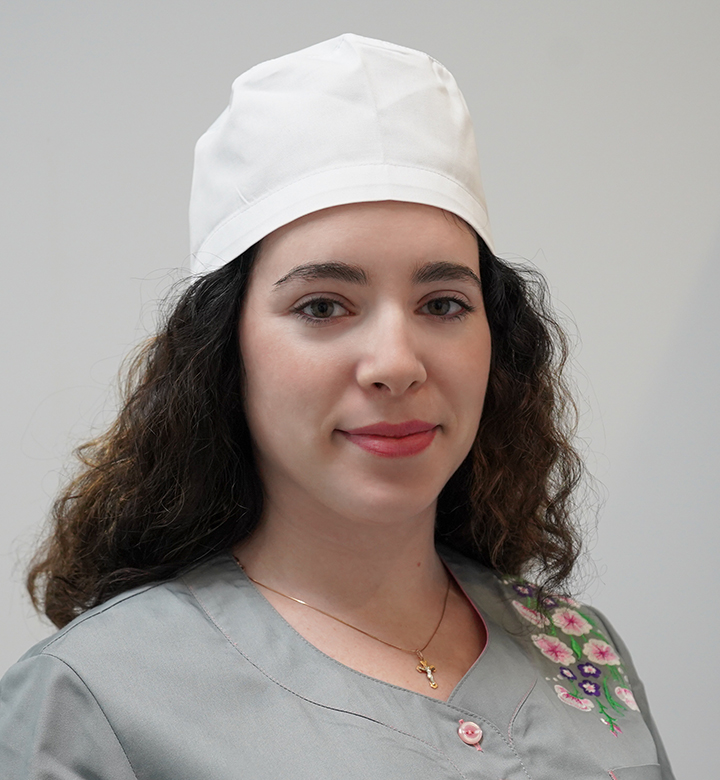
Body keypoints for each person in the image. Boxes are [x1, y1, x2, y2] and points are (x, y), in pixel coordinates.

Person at [0, 33, 674, 779]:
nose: (396, 364)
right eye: (322, 306)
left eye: (443, 303)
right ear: (224, 349)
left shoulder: (578, 649)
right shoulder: (93, 702)